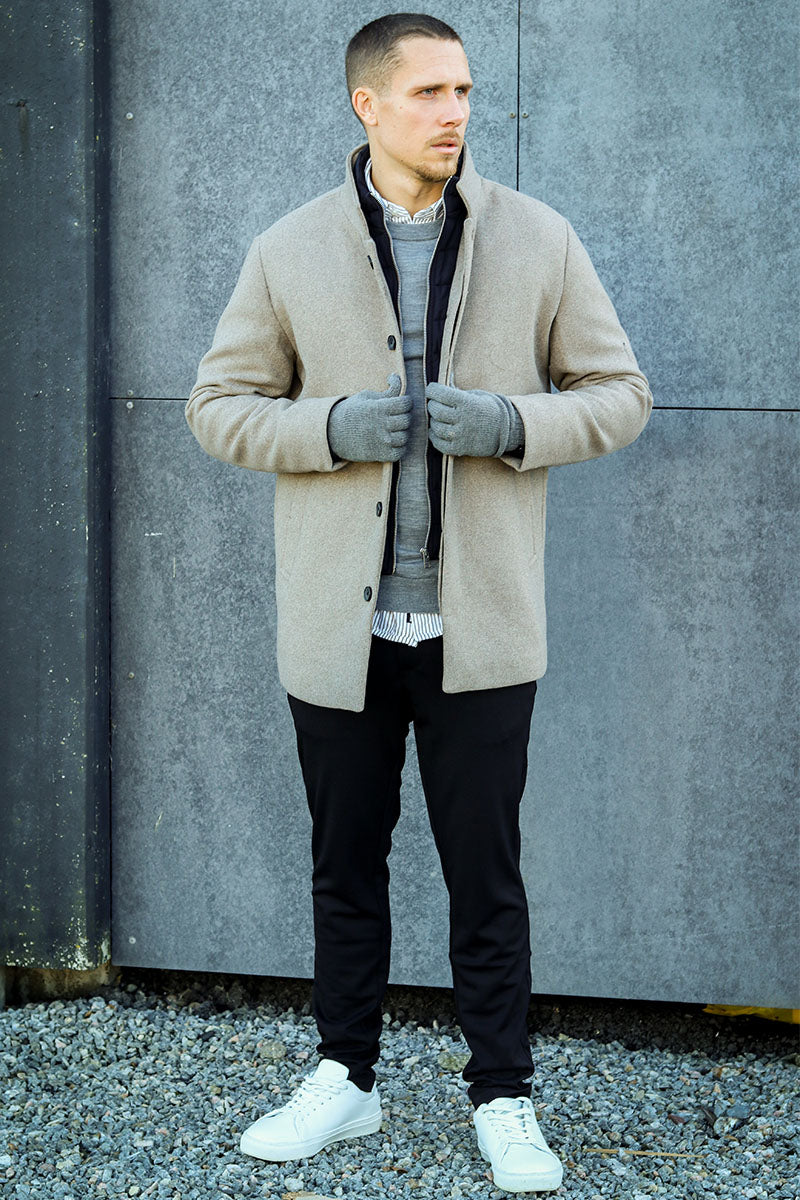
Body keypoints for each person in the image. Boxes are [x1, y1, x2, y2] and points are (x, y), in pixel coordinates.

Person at [185, 11, 652, 1194]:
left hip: (480, 630)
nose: (454, 113)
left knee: (484, 877)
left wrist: (510, 423)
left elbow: (619, 393)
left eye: (464, 91)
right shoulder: (287, 248)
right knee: (343, 868)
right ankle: (345, 1079)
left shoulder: (536, 238)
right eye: (430, 92)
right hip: (336, 633)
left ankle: (502, 1096)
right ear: (368, 104)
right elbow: (216, 407)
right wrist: (328, 430)